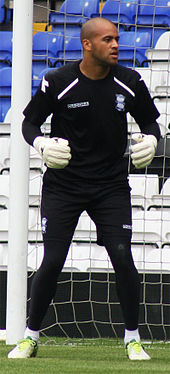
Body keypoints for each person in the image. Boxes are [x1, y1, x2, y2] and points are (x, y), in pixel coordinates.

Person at [8, 17, 160, 360]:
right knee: (53, 260)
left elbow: (151, 122)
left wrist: (152, 139)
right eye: (108, 40)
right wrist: (42, 145)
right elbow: (29, 123)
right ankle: (31, 337)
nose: (116, 45)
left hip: (111, 185)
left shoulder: (130, 81)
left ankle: (132, 338)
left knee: (123, 256)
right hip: (65, 185)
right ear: (87, 44)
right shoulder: (57, 82)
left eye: (117, 39)